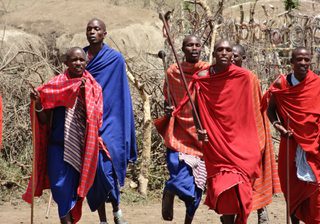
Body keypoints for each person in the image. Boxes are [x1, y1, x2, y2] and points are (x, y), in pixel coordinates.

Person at [173, 39, 262, 224]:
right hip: (216, 144)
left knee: (243, 194)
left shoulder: (245, 77)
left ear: (232, 55)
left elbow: (254, 111)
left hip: (241, 145)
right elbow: (195, 106)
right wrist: (199, 129)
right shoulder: (202, 78)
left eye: (227, 50)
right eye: (219, 50)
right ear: (213, 54)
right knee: (223, 190)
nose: (223, 53)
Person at [22, 47, 103, 224]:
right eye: (74, 60)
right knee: (59, 187)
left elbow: (97, 119)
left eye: (81, 60)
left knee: (73, 191)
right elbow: (44, 120)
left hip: (82, 148)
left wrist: (83, 94)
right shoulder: (55, 86)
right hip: (57, 148)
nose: (78, 63)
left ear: (86, 62)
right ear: (66, 63)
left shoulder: (93, 88)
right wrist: (37, 103)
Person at [84, 18, 137, 224]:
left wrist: (123, 123)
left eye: (97, 29)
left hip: (111, 120)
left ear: (105, 34)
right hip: (88, 121)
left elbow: (120, 94)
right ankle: (103, 219)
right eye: (89, 29)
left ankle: (116, 208)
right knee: (95, 170)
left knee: (109, 167)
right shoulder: (81, 57)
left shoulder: (115, 59)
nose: (92, 32)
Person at [155, 35, 209, 224]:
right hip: (178, 133)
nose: (194, 48)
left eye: (197, 45)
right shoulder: (173, 72)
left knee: (197, 185)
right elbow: (167, 99)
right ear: (183, 49)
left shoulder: (208, 71)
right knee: (179, 175)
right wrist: (168, 108)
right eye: (189, 45)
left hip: (202, 134)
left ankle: (188, 220)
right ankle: (170, 188)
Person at [262, 47, 320, 224]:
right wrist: (278, 126)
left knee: (316, 188)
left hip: (315, 144)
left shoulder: (317, 84)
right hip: (291, 143)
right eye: (299, 59)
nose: (303, 63)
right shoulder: (281, 84)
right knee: (292, 188)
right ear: (291, 62)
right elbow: (270, 110)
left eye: (306, 59)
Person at [232, 44, 281, 224]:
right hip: (229, 134)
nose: (231, 58)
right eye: (230, 54)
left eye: (236, 55)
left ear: (243, 58)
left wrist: (256, 134)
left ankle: (261, 208)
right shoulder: (220, 78)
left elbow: (256, 107)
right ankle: (233, 212)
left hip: (250, 131)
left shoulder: (249, 78)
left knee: (255, 172)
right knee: (233, 176)